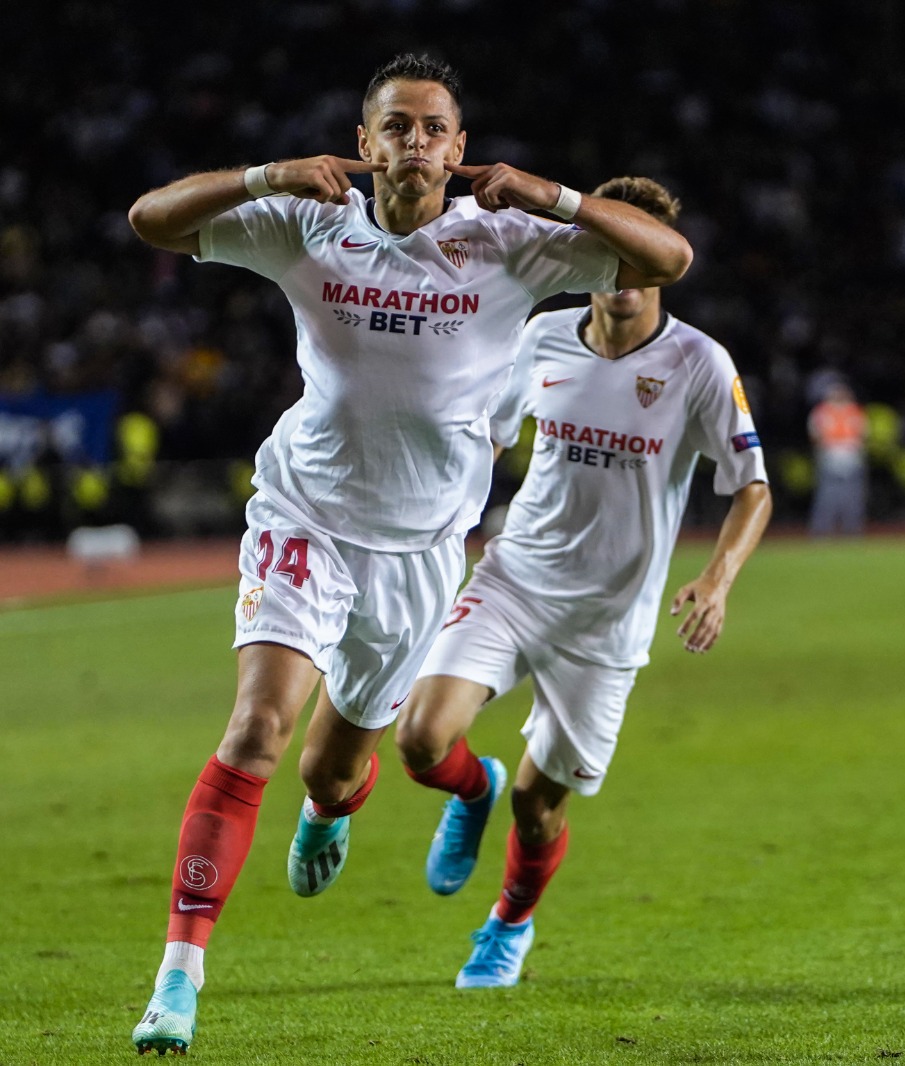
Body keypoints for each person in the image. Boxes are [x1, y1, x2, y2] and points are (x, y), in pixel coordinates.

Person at [124, 55, 692, 1056]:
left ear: (461, 150)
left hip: (422, 551)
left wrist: (555, 196)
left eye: (433, 128)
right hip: (306, 517)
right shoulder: (310, 222)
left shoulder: (510, 243)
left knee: (335, 770)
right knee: (256, 725)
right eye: (395, 127)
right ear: (365, 138)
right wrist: (265, 176)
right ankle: (178, 979)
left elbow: (667, 262)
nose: (414, 145)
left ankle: (331, 806)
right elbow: (151, 220)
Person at [391, 176, 771, 988]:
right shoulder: (543, 337)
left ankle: (509, 923)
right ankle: (471, 788)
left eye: (643, 262)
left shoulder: (700, 365)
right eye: (612, 256)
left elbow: (753, 485)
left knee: (540, 808)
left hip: (610, 620)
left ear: (664, 270)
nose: (626, 277)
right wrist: (441, 521)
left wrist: (718, 578)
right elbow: (485, 441)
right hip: (516, 578)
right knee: (421, 741)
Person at [807, 380, 867, 535]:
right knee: (827, 496)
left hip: (850, 456)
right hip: (831, 455)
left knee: (852, 497)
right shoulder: (822, 411)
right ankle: (822, 530)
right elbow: (815, 435)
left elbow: (863, 434)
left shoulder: (854, 411)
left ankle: (852, 529)